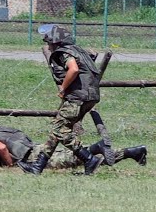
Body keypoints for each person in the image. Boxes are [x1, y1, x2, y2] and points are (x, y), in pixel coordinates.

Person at [21, 24, 105, 175]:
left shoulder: (63, 53)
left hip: (77, 98)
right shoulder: (78, 50)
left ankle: (89, 159)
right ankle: (37, 167)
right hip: (89, 97)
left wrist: (63, 88)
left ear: (55, 42)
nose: (48, 45)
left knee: (59, 130)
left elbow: (73, 69)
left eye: (48, 43)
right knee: (56, 131)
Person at [0, 117, 148, 172]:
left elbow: (0, 148)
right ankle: (132, 152)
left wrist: (10, 165)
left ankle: (97, 147)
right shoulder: (8, 130)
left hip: (34, 157)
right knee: (88, 161)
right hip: (40, 148)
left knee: (76, 159)